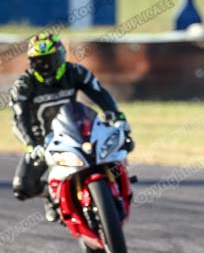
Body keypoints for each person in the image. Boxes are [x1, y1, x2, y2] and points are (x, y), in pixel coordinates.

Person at [9, 33, 132, 221]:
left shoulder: (76, 72)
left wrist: (116, 116)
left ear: (60, 57)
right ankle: (50, 195)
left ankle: (116, 185)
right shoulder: (24, 85)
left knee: (125, 142)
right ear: (31, 62)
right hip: (44, 142)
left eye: (49, 60)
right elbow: (19, 120)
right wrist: (32, 145)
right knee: (22, 187)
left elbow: (100, 94)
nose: (45, 67)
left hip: (77, 131)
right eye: (39, 62)